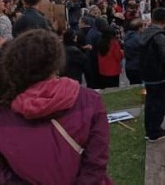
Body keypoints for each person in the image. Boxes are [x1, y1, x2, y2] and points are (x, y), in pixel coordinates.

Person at [0, 29, 113, 184]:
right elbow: (96, 163)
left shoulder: (5, 115)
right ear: (56, 62)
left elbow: (6, 176)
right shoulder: (89, 100)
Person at [139, 7, 165, 142]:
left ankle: (150, 128)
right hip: (157, 74)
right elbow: (164, 55)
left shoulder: (146, 32)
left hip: (148, 72)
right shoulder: (159, 35)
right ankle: (155, 130)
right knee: (158, 103)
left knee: (150, 102)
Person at [123, 19, 144, 85]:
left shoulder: (127, 36)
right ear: (139, 28)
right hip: (137, 67)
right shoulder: (138, 39)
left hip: (129, 67)